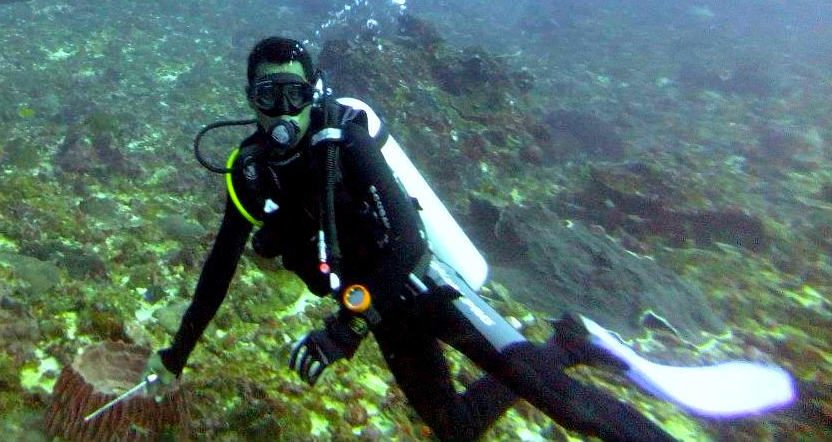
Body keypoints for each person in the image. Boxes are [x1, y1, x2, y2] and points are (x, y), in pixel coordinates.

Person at [138, 36, 692, 441]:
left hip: (431, 290)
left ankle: (570, 363)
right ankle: (566, 346)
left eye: (294, 93)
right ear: (249, 97)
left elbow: (407, 241)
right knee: (454, 427)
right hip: (385, 315)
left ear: (312, 94)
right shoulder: (250, 171)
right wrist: (175, 355)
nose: (283, 111)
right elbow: (218, 270)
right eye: (268, 94)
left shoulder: (346, 144)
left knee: (573, 410)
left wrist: (345, 327)